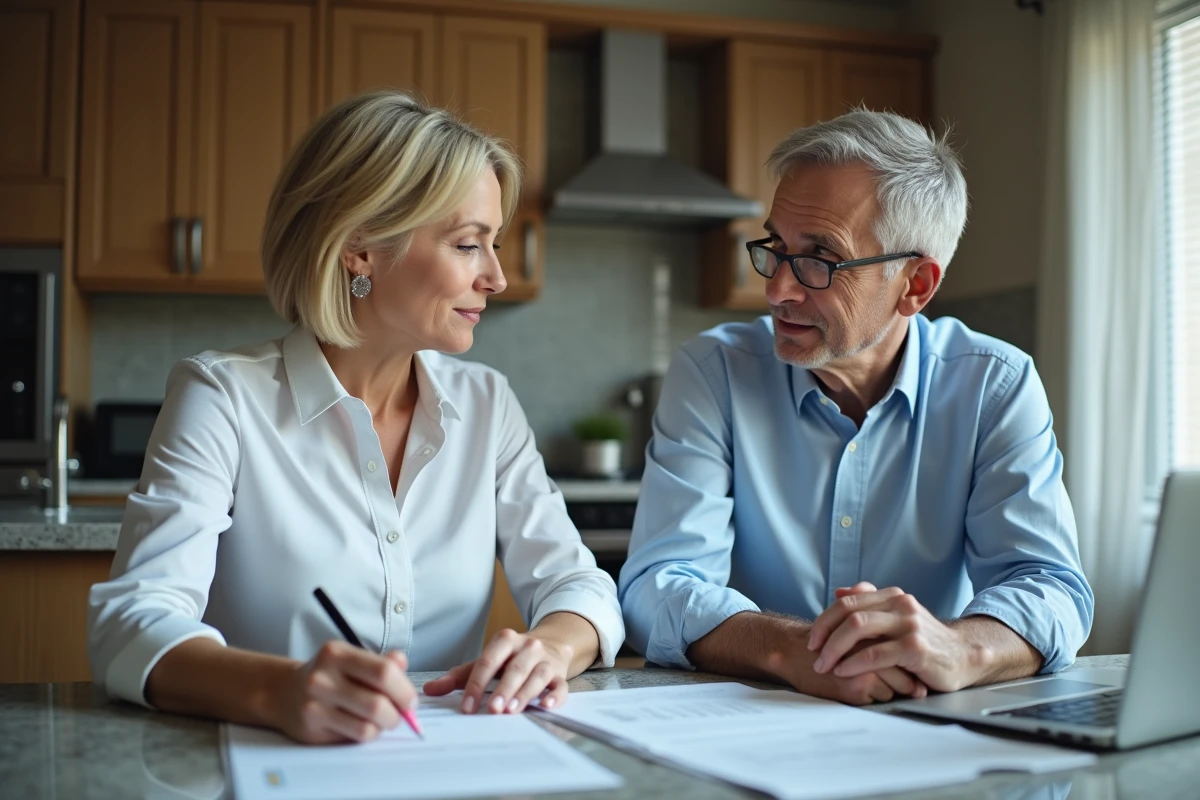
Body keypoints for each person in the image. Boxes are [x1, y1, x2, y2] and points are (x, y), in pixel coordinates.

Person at [88, 91, 623, 743]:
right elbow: (131, 622)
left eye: (494, 245)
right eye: (467, 244)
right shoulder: (222, 397)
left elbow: (578, 584)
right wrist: (279, 690)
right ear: (359, 248)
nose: (496, 277)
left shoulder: (487, 404)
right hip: (272, 764)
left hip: (447, 762)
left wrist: (552, 648)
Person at [619, 110, 1093, 705]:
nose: (777, 289)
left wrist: (957, 650)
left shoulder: (994, 384)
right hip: (752, 716)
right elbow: (656, 586)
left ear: (915, 285)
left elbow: (1051, 586)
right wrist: (795, 652)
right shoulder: (714, 372)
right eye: (777, 247)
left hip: (927, 715)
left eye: (819, 258)